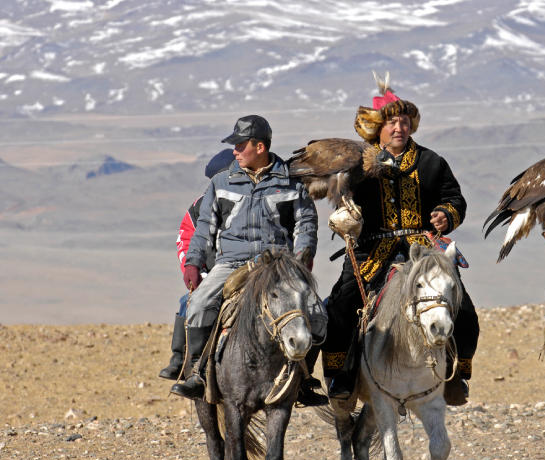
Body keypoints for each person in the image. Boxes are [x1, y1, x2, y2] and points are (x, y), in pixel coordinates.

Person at [318, 73, 480, 401]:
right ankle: (341, 375)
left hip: (423, 248)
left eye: (404, 122)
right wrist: (345, 215)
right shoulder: (357, 165)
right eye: (391, 122)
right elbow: (339, 198)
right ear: (378, 127)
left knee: (463, 309)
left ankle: (456, 374)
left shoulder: (432, 162)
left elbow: (455, 198)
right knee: (339, 306)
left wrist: (446, 214)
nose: (398, 128)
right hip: (371, 249)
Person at [170, 115, 328, 406]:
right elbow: (205, 227)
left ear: (259, 147)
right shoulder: (221, 182)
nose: (234, 151)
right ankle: (198, 373)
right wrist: (193, 262)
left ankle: (304, 380)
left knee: (318, 316)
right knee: (199, 305)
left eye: (240, 145)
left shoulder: (292, 183)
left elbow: (306, 223)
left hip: (278, 264)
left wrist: (303, 257)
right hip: (231, 263)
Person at [158, 150, 234, 381]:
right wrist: (196, 271)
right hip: (212, 273)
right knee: (187, 302)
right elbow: (186, 240)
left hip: (254, 268)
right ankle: (180, 360)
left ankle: (300, 373)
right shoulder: (201, 205)